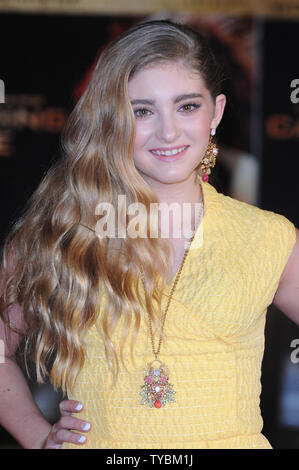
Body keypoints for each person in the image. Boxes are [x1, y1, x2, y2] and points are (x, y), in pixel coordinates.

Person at [0, 19, 298, 450]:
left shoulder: (268, 238)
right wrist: (37, 436)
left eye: (186, 106)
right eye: (142, 111)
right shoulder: (64, 233)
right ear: (112, 118)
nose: (168, 131)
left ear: (215, 112)